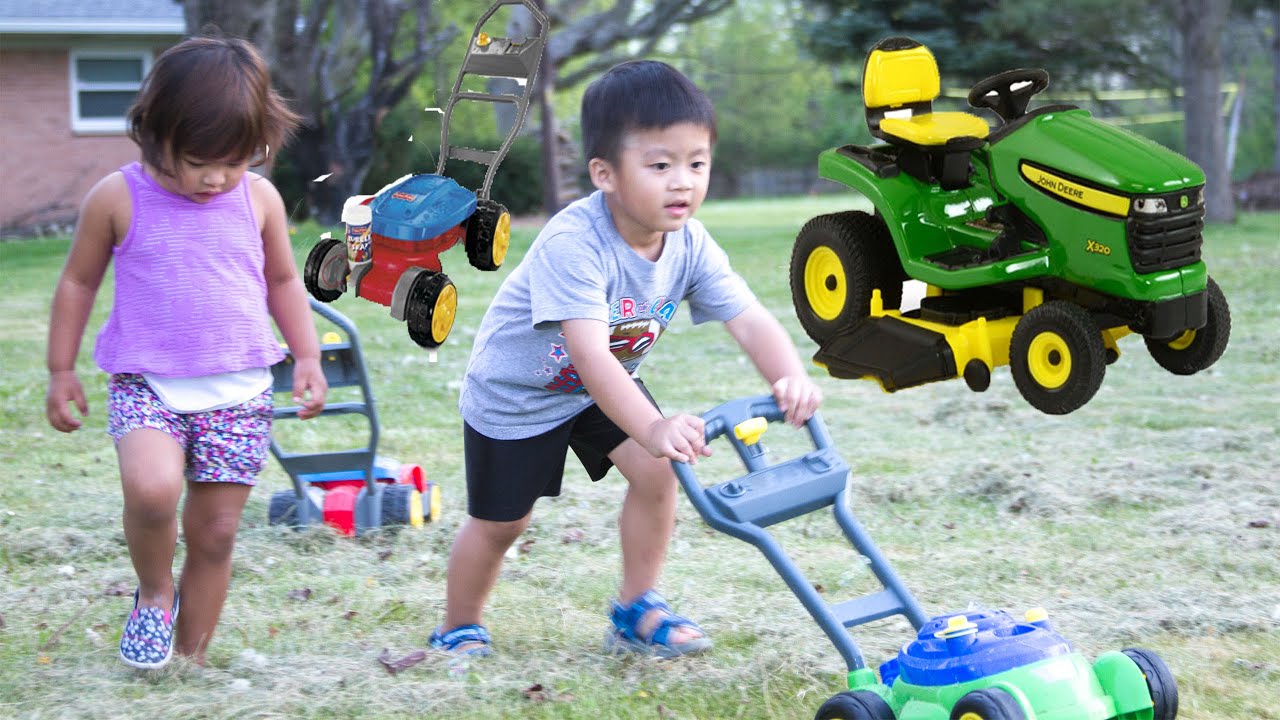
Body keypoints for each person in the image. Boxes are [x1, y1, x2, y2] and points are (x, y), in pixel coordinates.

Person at [431, 60, 823, 659]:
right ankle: (458, 625)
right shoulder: (575, 243)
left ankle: (636, 607)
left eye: (697, 163)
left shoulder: (690, 243)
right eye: (660, 165)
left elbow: (747, 317)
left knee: (657, 470)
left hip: (598, 388)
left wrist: (788, 375)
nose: (683, 182)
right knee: (503, 523)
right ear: (605, 174)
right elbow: (589, 353)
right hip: (517, 395)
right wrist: (652, 424)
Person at [43, 36, 327, 669]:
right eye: (198, 161)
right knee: (151, 491)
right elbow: (77, 281)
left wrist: (306, 356)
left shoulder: (258, 200)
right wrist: (61, 369)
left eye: (235, 161)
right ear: (154, 132)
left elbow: (282, 281)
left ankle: (189, 658)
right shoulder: (117, 198)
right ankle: (153, 593)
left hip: (241, 390)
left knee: (217, 533)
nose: (215, 179)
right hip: (150, 383)